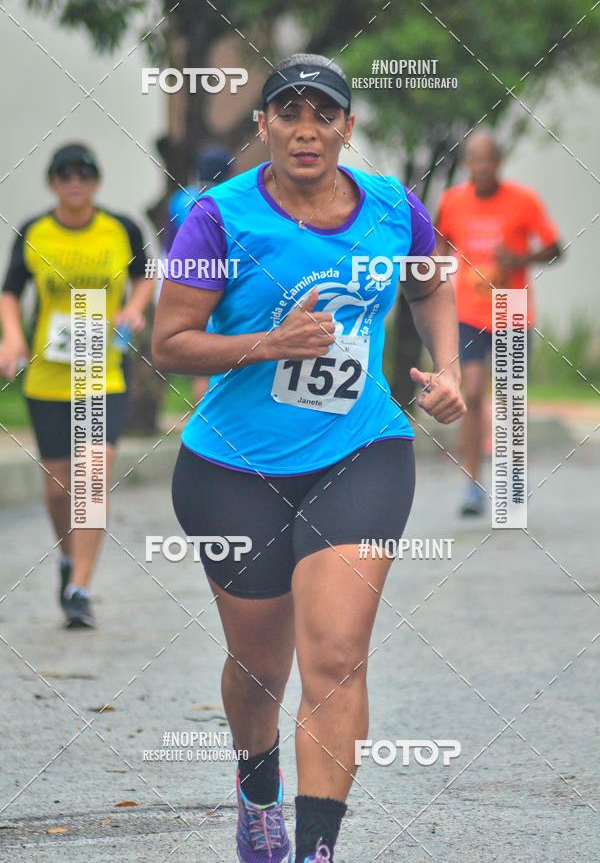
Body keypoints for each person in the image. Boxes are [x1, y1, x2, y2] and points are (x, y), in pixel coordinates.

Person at [153, 54, 466, 863]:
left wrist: (449, 366)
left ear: (346, 128)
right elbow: (169, 344)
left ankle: (316, 849)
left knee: (333, 654)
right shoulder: (216, 218)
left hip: (360, 450)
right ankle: (258, 788)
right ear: (262, 126)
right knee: (260, 668)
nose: (304, 129)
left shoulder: (394, 207)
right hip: (232, 469)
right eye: (286, 113)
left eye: (321, 115)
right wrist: (269, 344)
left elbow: (433, 280)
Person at [0, 143, 154, 627]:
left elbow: (147, 274)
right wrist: (12, 338)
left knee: (92, 472)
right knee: (57, 486)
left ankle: (80, 587)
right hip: (48, 375)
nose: (75, 182)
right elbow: (10, 291)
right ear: (52, 182)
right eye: (65, 174)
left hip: (100, 371)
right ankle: (68, 558)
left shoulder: (122, 228)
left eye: (84, 174)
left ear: (96, 181)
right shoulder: (34, 231)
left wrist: (135, 308)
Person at [436, 131, 562, 515]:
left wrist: (522, 257)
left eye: (488, 159)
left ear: (499, 161)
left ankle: (510, 483)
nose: (482, 166)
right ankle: (472, 486)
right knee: (471, 393)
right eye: (475, 159)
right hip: (468, 312)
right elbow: (439, 249)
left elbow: (556, 249)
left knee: (508, 400)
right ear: (467, 163)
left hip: (512, 308)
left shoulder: (523, 201)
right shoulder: (453, 201)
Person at [161, 146, 235, 404]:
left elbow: (168, 249)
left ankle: (203, 419)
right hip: (227, 282)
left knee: (202, 362)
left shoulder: (180, 200)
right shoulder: (231, 199)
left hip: (189, 283)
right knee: (230, 356)